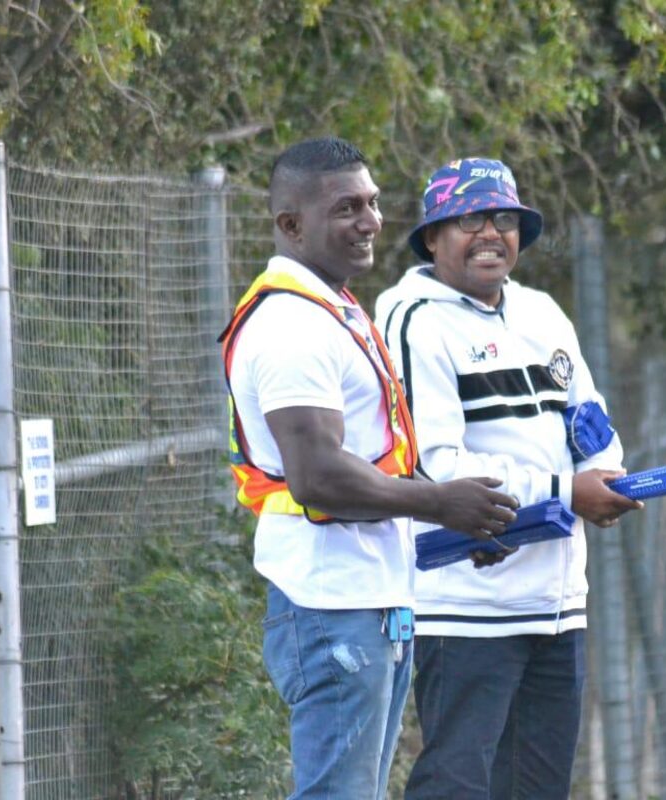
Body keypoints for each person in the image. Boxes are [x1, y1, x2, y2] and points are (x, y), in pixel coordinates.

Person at [219, 138, 519, 800]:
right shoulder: (291, 325)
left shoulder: (332, 309)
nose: (371, 222)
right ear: (291, 224)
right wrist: (441, 504)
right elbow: (318, 477)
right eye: (347, 208)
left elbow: (369, 461)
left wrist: (457, 521)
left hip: (366, 598)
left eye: (374, 203)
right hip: (330, 604)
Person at [375, 157, 642, 799]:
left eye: (504, 219)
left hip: (556, 604)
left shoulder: (542, 312)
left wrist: (605, 476)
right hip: (466, 606)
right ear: (433, 236)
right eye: (470, 219)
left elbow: (589, 419)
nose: (490, 232)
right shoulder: (412, 317)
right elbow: (434, 464)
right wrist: (566, 492)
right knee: (456, 785)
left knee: (537, 789)